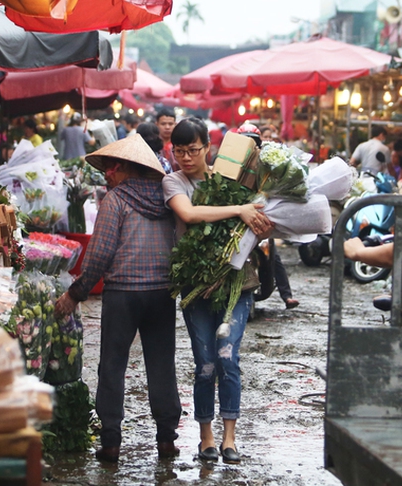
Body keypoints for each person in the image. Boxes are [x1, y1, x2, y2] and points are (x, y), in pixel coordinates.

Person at [54, 134, 182, 463]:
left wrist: (76, 293)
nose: (107, 174)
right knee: (161, 365)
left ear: (127, 168)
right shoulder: (169, 199)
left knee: (112, 365)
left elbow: (99, 255)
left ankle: (111, 443)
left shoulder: (116, 201)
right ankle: (167, 440)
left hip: (123, 294)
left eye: (112, 167)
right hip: (161, 294)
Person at [162, 118, 272, 465]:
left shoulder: (229, 180)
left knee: (228, 358)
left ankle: (229, 438)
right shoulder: (173, 181)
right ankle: (205, 436)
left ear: (207, 148)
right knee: (205, 364)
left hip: (235, 286)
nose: (185, 157)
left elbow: (257, 225)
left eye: (192, 150)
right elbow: (189, 214)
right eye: (178, 151)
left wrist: (260, 226)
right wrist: (239, 210)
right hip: (196, 285)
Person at [254, 124, 299, 310]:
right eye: (264, 137)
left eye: (270, 137)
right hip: (248, 211)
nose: (268, 140)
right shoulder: (249, 160)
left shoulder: (279, 163)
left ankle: (287, 296)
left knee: (275, 257)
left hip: (268, 214)